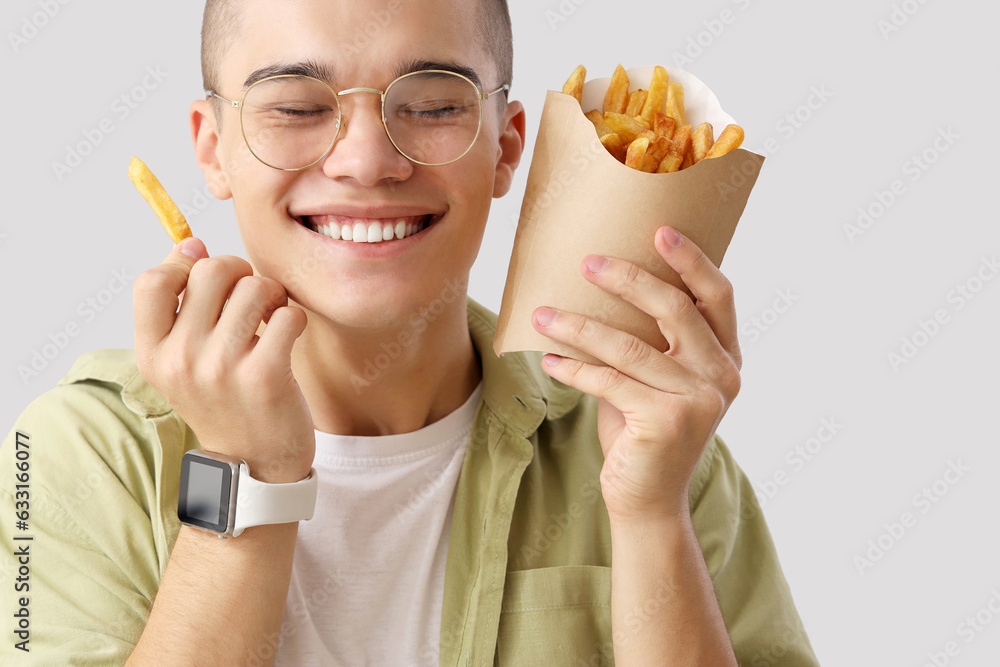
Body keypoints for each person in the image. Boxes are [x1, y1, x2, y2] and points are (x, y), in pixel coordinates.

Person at [0, 0, 819, 664]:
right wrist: (246, 477)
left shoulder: (654, 447)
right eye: (293, 106)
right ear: (213, 151)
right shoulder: (77, 451)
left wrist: (649, 519)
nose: (365, 160)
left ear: (507, 149)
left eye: (430, 106)